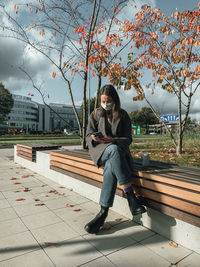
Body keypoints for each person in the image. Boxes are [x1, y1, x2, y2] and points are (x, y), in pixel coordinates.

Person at [85, 84, 146, 234]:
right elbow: (86, 137)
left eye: (108, 101)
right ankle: (130, 195)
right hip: (100, 151)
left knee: (112, 159)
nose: (105, 104)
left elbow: (128, 139)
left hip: (118, 153)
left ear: (115, 100)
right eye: (103, 101)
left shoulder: (123, 115)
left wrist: (113, 140)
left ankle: (103, 213)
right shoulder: (94, 114)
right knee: (112, 151)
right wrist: (93, 138)